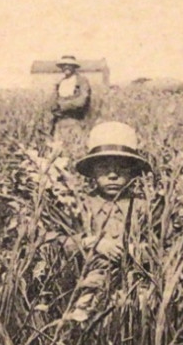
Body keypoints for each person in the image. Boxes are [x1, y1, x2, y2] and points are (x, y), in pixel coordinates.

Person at [71, 121, 153, 259]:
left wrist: (137, 251)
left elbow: (164, 245)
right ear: (92, 171)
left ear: (133, 172)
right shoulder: (81, 206)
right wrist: (92, 243)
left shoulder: (143, 207)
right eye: (103, 167)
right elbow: (57, 240)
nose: (113, 175)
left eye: (122, 167)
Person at [48, 54, 92, 153]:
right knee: (58, 152)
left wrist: (62, 105)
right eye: (64, 65)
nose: (66, 67)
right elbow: (53, 103)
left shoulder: (81, 81)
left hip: (75, 121)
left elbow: (81, 101)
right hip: (60, 123)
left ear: (74, 67)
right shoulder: (60, 83)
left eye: (69, 65)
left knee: (75, 150)